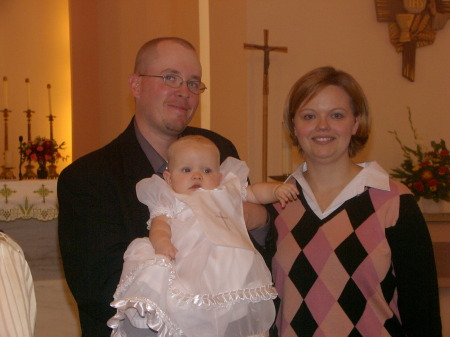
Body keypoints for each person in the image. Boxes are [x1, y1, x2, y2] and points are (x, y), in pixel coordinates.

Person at [58, 37, 269, 337]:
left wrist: (260, 222)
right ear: (136, 85)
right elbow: (100, 290)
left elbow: (256, 254)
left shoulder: (219, 151)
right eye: (170, 77)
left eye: (194, 83)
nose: (184, 92)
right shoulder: (88, 178)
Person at [269, 66, 442, 336]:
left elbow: (422, 310)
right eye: (309, 115)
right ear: (294, 126)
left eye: (336, 115)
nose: (322, 126)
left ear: (356, 123)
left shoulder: (395, 203)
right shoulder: (275, 206)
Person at [107, 135, 299, 336]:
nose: (197, 176)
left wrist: (276, 190)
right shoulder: (171, 199)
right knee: (186, 306)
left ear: (219, 177)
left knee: (231, 313)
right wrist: (162, 243)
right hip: (188, 264)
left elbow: (255, 193)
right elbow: (160, 225)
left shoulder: (224, 192)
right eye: (186, 170)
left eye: (206, 170)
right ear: (169, 178)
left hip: (228, 268)